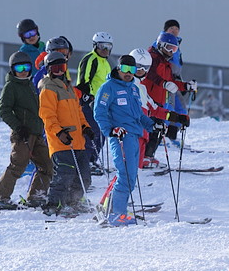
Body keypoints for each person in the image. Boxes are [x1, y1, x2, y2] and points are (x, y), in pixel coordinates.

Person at [94, 55, 161, 226]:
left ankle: (114, 211)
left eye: (132, 70)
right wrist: (110, 130)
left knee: (130, 177)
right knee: (124, 175)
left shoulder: (133, 89)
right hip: (121, 137)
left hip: (134, 136)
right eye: (125, 69)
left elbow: (138, 115)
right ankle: (117, 214)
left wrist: (153, 125)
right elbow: (99, 113)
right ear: (118, 68)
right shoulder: (108, 87)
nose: (129, 73)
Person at [0, 51, 53, 210]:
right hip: (22, 134)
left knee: (47, 164)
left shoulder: (29, 84)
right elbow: (4, 110)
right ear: (13, 69)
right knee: (18, 165)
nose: (23, 70)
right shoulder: (11, 86)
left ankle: (36, 197)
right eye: (19, 67)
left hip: (36, 133)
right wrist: (18, 127)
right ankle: (0, 198)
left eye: (26, 66)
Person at [39, 51, 94, 216]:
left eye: (61, 66)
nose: (59, 70)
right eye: (54, 67)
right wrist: (59, 132)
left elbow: (79, 112)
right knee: (65, 174)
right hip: (61, 142)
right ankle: (53, 205)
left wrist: (85, 127)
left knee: (84, 176)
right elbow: (47, 116)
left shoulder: (69, 87)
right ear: (48, 69)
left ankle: (72, 202)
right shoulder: (48, 88)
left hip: (77, 141)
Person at [141, 32, 196, 164]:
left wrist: (186, 86)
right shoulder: (152, 57)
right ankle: (140, 157)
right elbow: (150, 75)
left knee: (160, 128)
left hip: (160, 102)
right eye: (169, 48)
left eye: (174, 49)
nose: (171, 52)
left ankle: (148, 156)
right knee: (147, 129)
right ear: (160, 45)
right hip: (147, 100)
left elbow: (172, 81)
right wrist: (164, 83)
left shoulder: (166, 63)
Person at [77, 32, 113, 175]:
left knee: (102, 132)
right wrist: (87, 97)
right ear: (95, 46)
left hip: (103, 103)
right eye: (101, 46)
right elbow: (83, 80)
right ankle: (86, 162)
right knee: (93, 132)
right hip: (90, 103)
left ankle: (92, 160)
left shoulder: (106, 63)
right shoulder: (91, 59)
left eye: (108, 47)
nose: (105, 49)